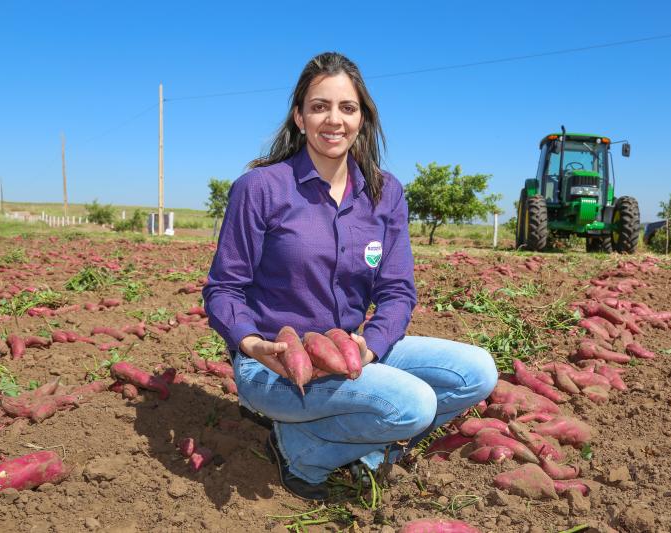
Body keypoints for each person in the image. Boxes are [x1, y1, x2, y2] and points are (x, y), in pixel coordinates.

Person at [203, 51, 498, 501]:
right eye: (319, 106)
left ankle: (334, 445)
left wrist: (370, 344)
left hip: (348, 350)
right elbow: (224, 290)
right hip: (277, 363)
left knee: (476, 373)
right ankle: (304, 453)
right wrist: (251, 344)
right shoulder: (260, 188)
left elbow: (397, 291)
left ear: (363, 118)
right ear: (299, 117)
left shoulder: (385, 192)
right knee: (413, 404)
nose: (333, 120)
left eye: (347, 107)